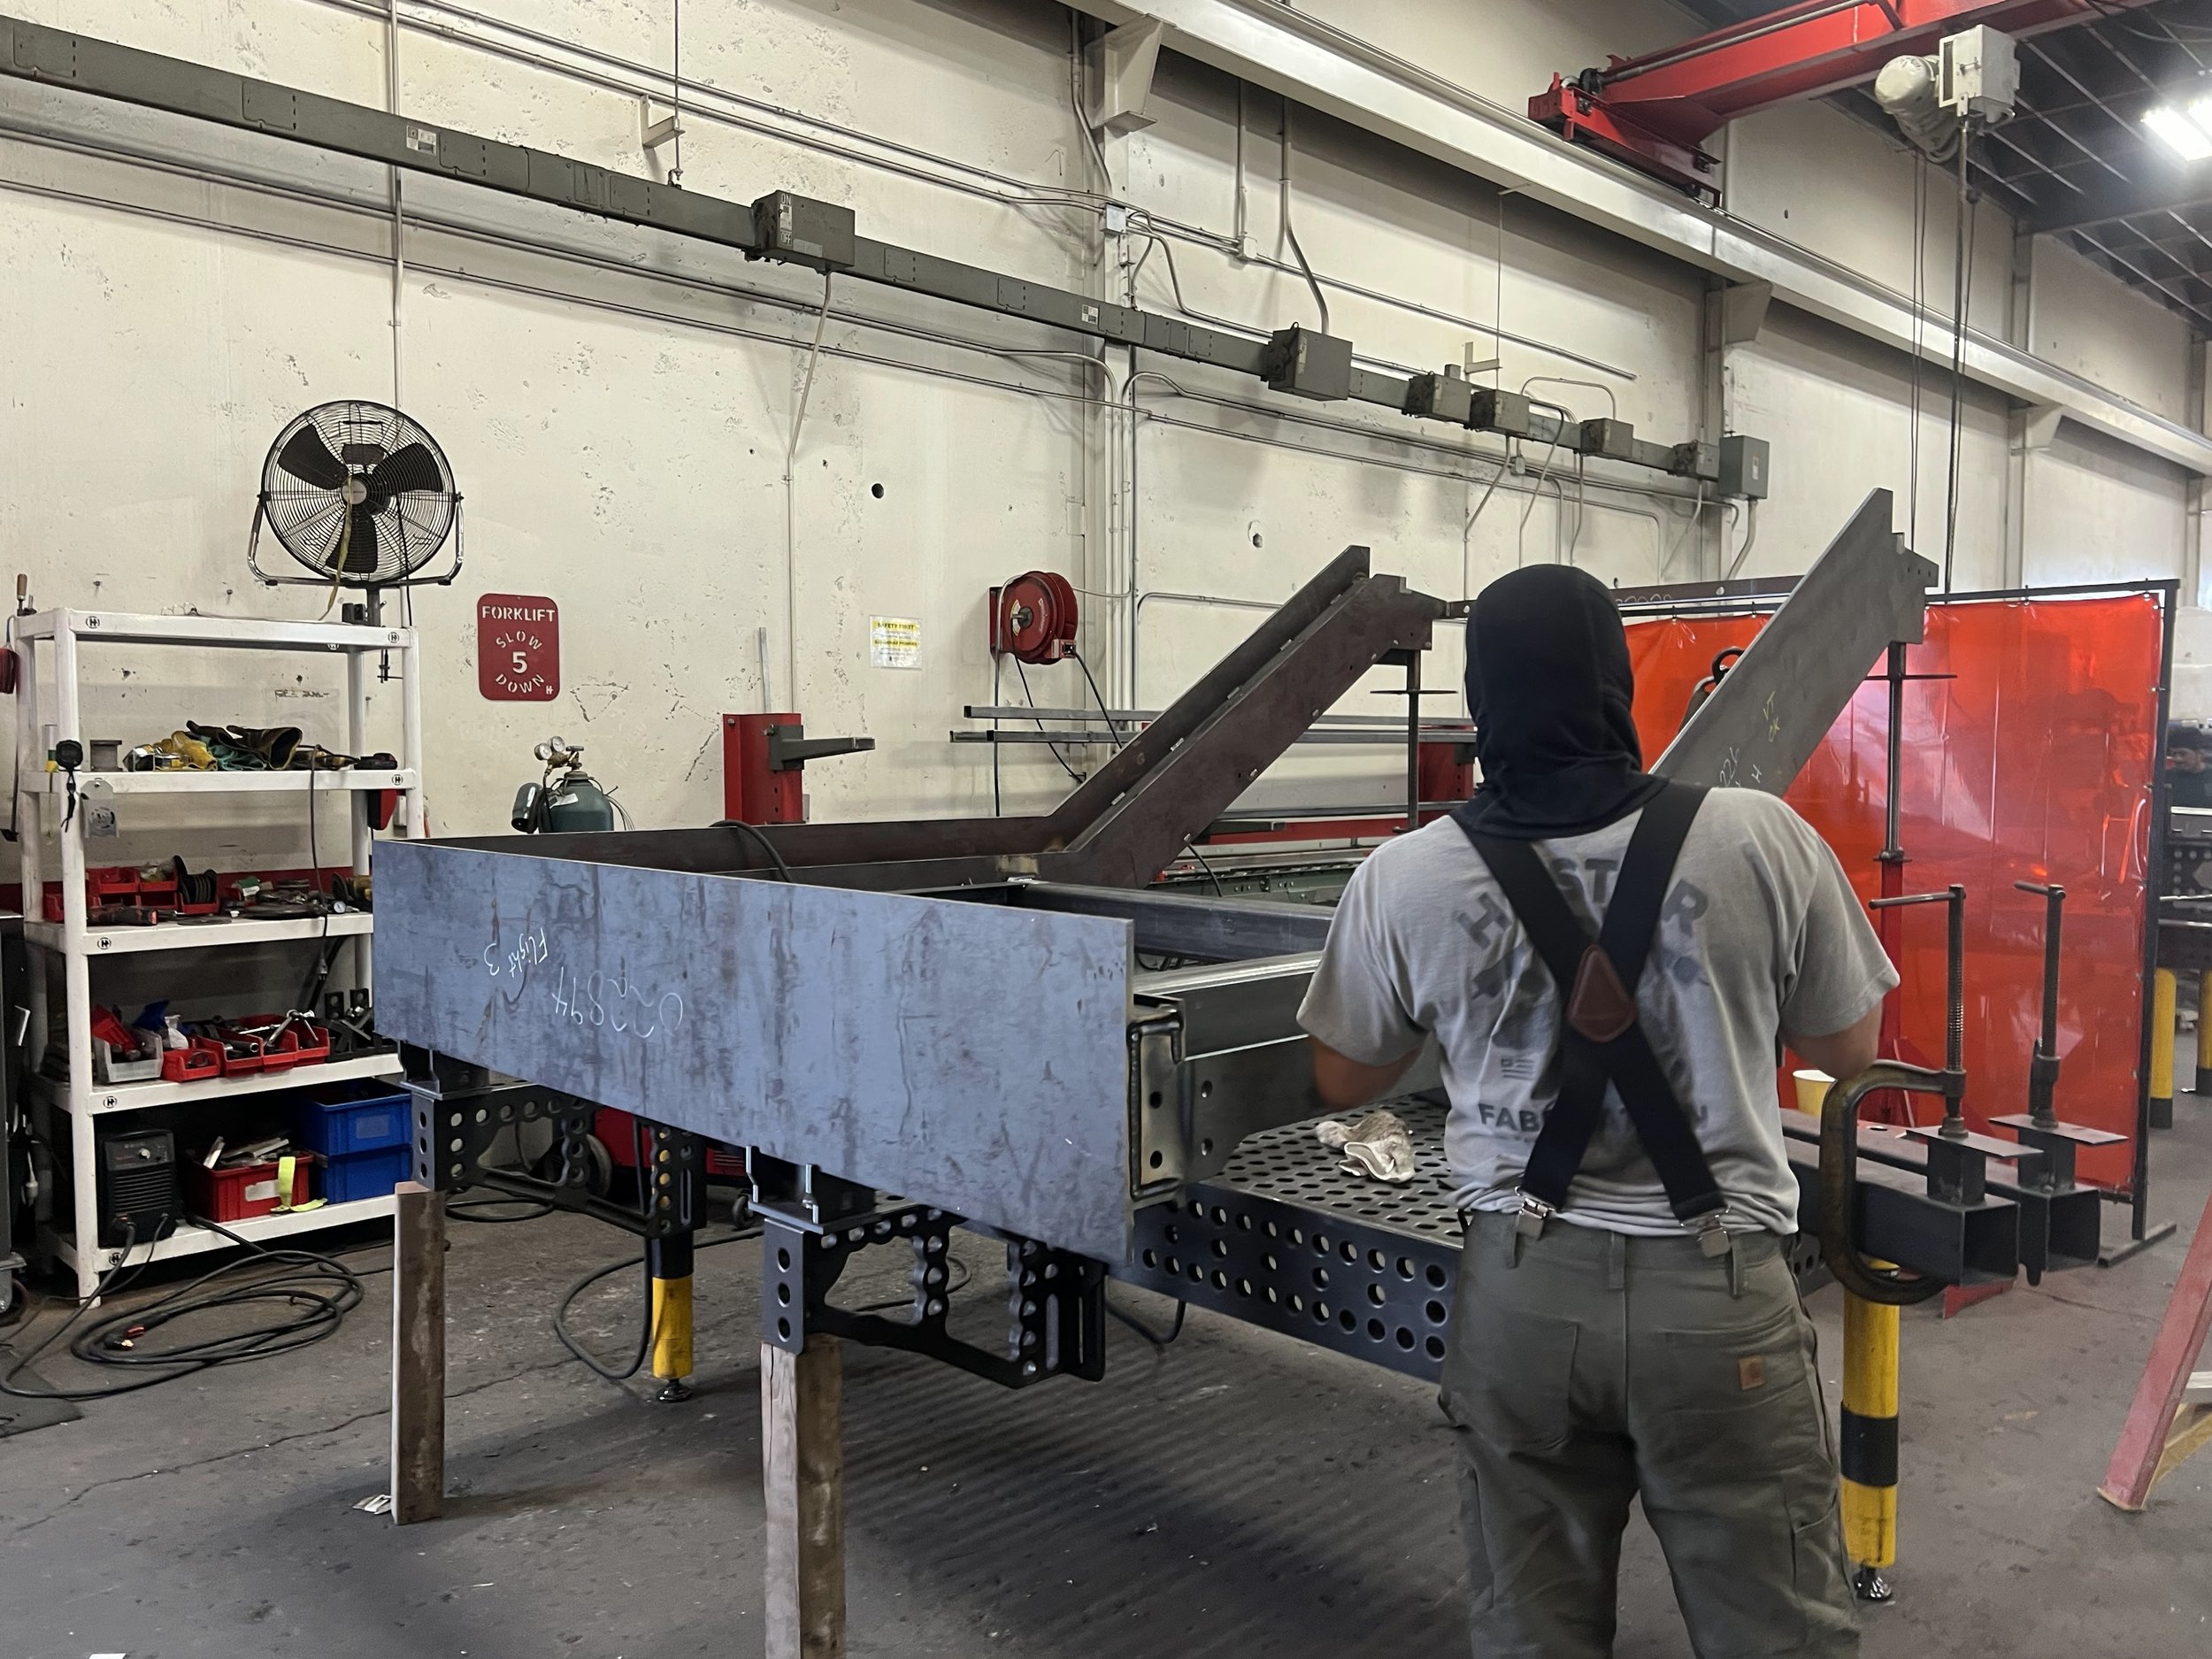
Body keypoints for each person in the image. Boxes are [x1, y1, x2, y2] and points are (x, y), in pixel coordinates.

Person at [1296, 565, 1897, 1659]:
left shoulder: (1407, 876)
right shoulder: (1762, 838)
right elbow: (1849, 1051)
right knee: (1778, 1632)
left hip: (1523, 1298)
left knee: (1533, 1626)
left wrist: (1477, 1001)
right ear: (1618, 687)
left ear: (1484, 703)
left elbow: (1343, 1081)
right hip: (1721, 1306)